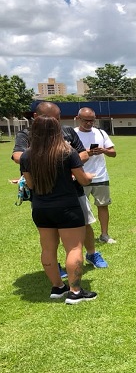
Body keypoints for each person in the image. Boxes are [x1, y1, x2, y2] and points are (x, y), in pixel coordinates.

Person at [12, 102, 108, 271]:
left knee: (85, 222)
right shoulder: (26, 134)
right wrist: (50, 159)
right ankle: (55, 266)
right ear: (36, 117)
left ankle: (92, 254)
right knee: (50, 232)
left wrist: (67, 162)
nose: (54, 123)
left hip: (72, 189)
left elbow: (82, 153)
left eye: (57, 119)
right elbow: (18, 156)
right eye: (50, 118)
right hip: (43, 190)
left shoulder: (67, 131)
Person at [19, 115, 97, 304]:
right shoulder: (67, 152)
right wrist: (89, 177)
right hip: (67, 207)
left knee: (47, 249)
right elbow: (83, 180)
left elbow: (30, 184)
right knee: (74, 248)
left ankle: (57, 287)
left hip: (40, 208)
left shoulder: (26, 156)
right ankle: (75, 291)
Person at [74, 107, 117, 244]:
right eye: (85, 120)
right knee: (80, 208)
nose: (89, 123)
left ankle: (104, 234)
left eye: (92, 120)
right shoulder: (72, 134)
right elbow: (67, 156)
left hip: (100, 176)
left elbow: (113, 153)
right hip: (80, 176)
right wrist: (86, 153)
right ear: (78, 118)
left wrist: (103, 150)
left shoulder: (100, 133)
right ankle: (81, 237)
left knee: (103, 205)